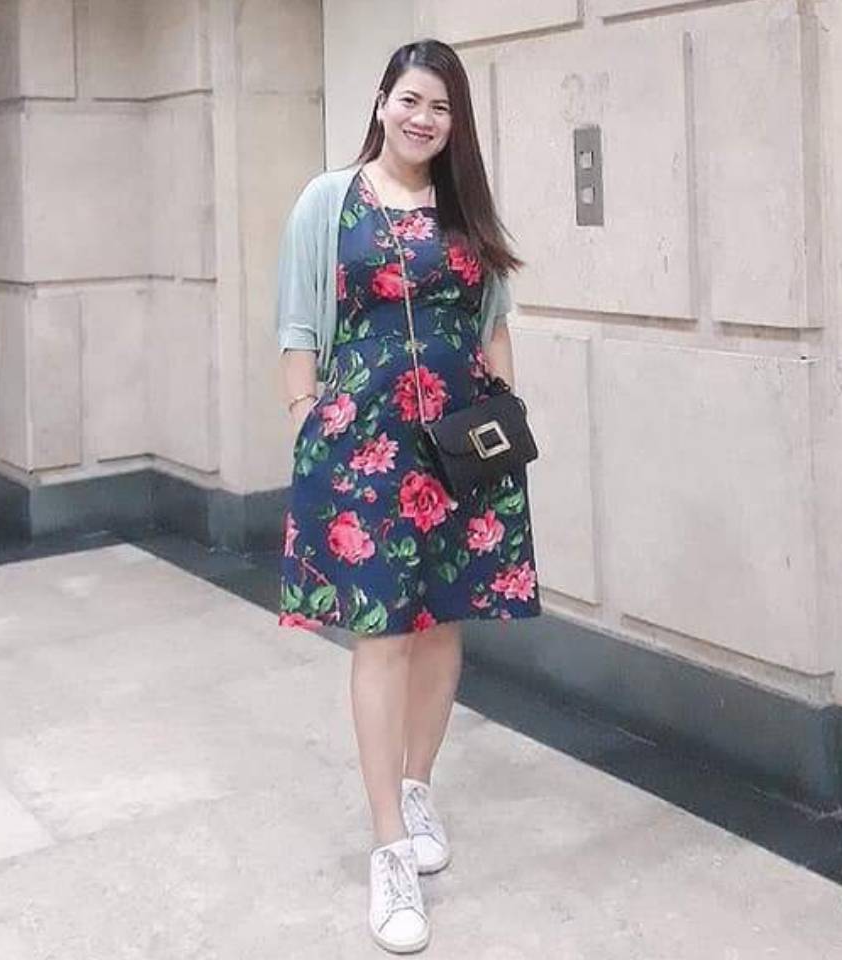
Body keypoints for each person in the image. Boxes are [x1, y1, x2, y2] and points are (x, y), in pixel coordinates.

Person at [276, 38, 541, 954]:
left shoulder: (466, 209)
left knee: (441, 622)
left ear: (455, 123)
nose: (423, 119)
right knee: (381, 633)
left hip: (460, 446)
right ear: (382, 100)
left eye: (442, 107)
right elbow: (297, 326)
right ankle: (389, 843)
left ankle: (418, 786)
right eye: (411, 100)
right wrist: (308, 420)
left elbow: (493, 324)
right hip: (364, 446)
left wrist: (504, 421)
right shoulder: (330, 200)